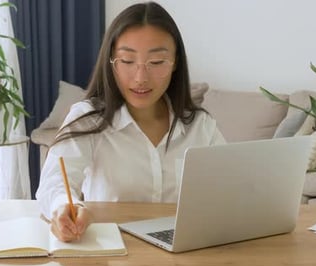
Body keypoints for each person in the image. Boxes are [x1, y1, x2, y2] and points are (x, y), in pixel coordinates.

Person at [36, 1, 226, 242]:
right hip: (112, 256)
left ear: (175, 62)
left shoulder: (200, 125)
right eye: (127, 61)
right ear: (111, 62)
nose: (140, 78)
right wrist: (65, 205)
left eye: (156, 62)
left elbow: (230, 190)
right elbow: (53, 184)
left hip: (183, 255)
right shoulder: (88, 120)